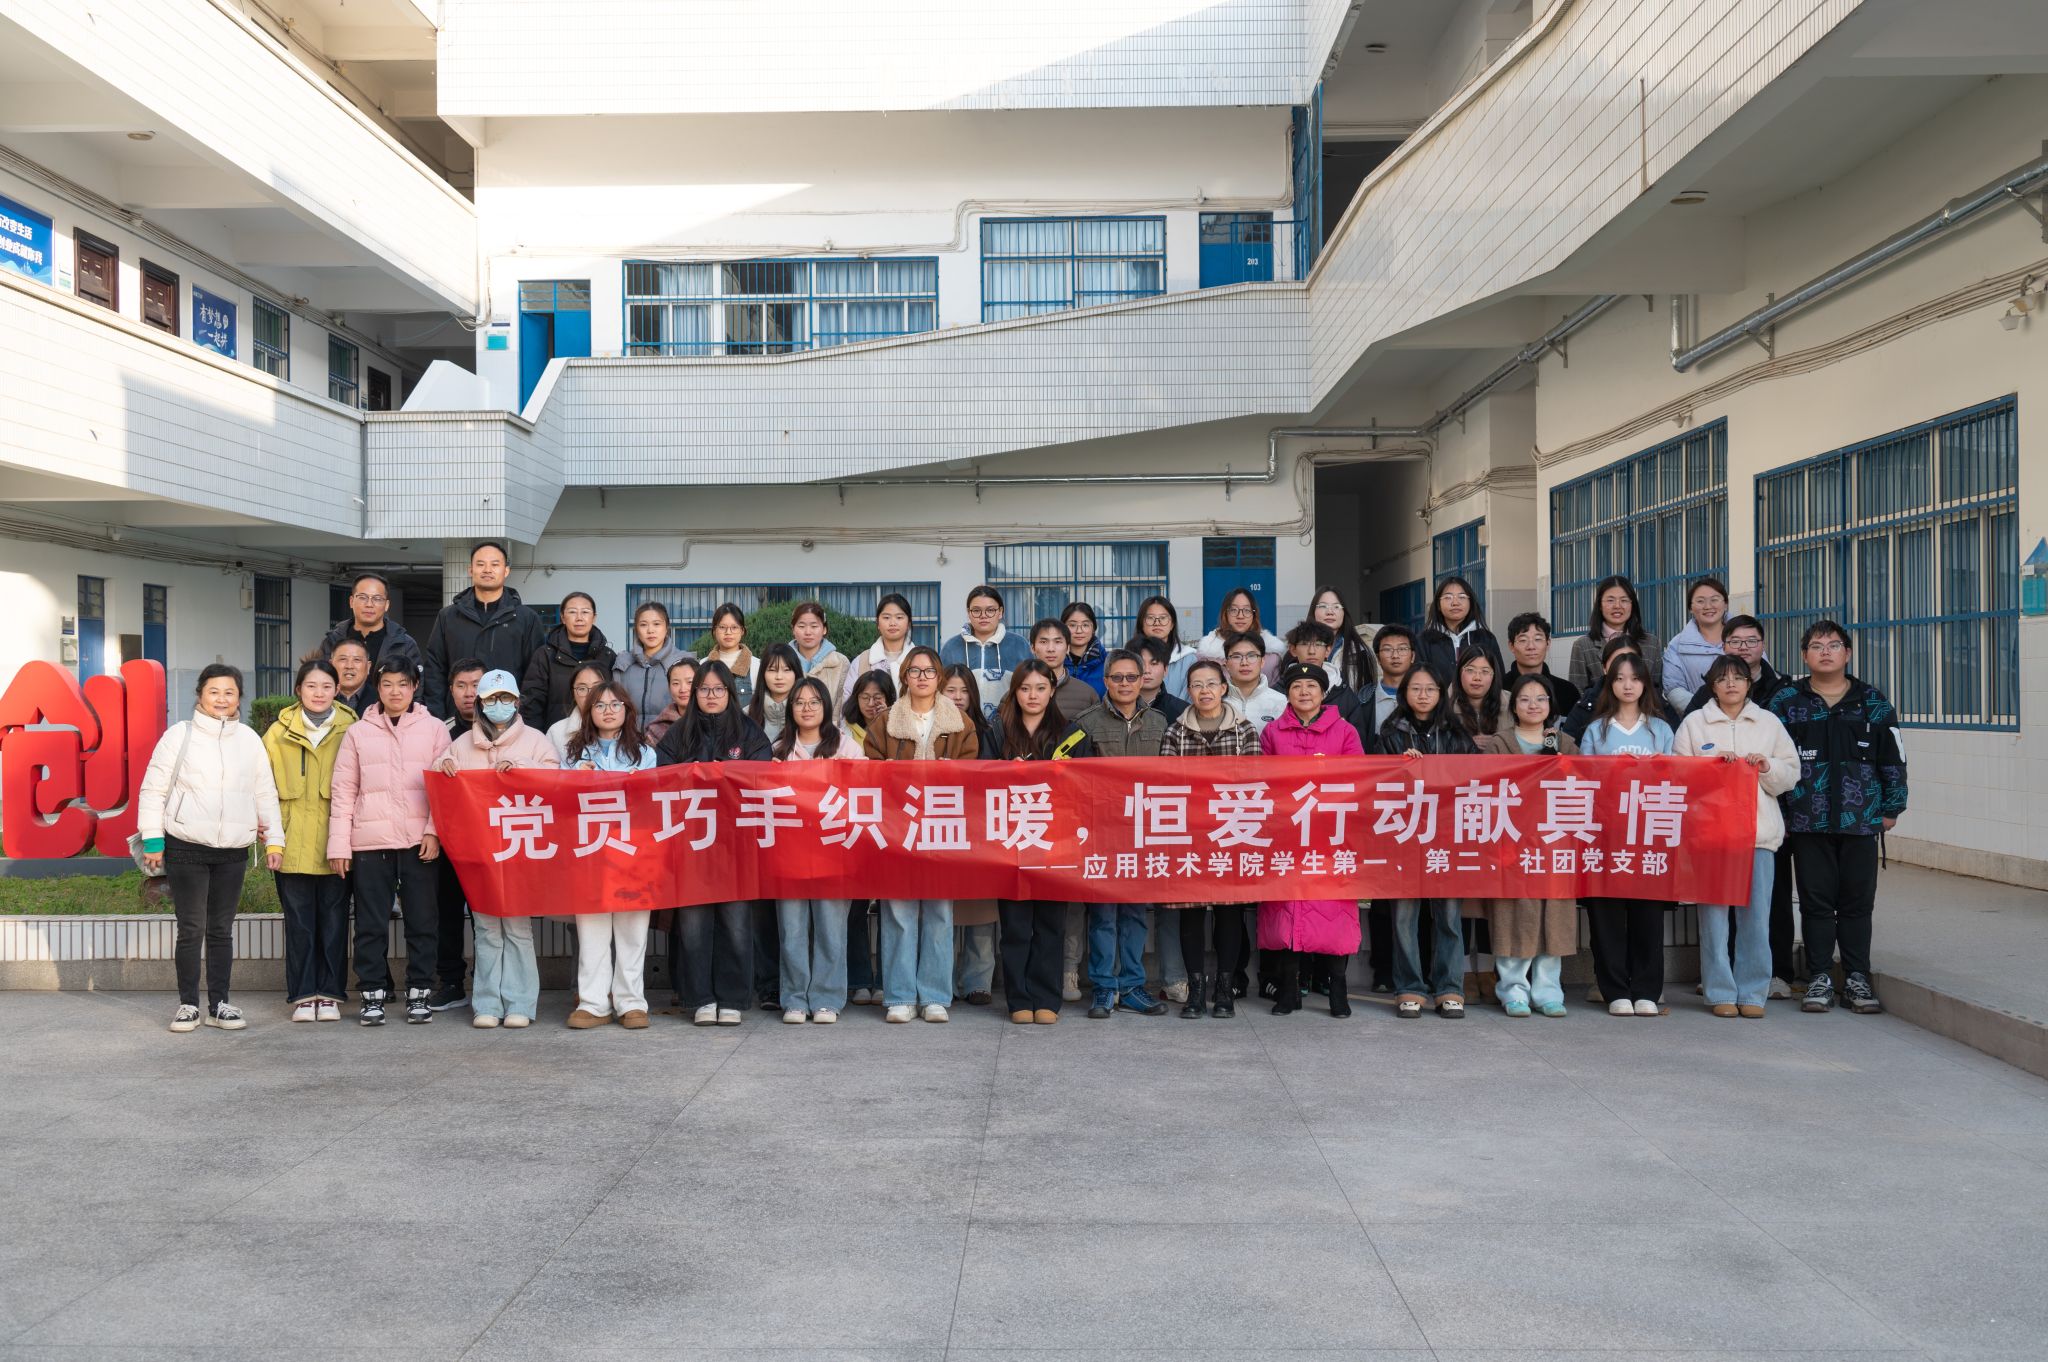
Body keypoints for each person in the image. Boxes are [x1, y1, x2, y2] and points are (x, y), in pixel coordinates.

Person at [1769, 620, 1907, 1016]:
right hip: (1807, 821)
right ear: (1804, 656)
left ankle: (1857, 977)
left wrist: (1891, 807)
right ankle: (1819, 977)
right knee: (1815, 903)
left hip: (1861, 821)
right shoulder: (1786, 702)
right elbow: (1774, 760)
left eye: (1833, 645)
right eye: (1817, 646)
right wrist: (1783, 814)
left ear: (1847, 653)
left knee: (1857, 904)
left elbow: (1893, 757)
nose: (1825, 652)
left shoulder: (1873, 702)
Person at [138, 664, 283, 1033]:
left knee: (221, 929)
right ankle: (188, 1005)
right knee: (191, 928)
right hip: (185, 845)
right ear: (200, 694)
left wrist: (275, 840)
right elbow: (153, 789)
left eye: (229, 692)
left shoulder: (249, 739)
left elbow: (265, 792)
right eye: (214, 691)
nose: (222, 699)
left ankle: (220, 1005)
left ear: (239, 697)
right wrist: (153, 839)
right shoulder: (178, 735)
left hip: (232, 850)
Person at [327, 657, 451, 1026]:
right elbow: (344, 791)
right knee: (370, 923)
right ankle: (372, 994)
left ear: (415, 687)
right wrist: (339, 845)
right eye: (387, 684)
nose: (395, 692)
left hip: (419, 842)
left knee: (423, 921)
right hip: (370, 842)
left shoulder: (434, 729)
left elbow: (444, 788)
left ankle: (420, 992)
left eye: (403, 684)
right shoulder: (358, 732)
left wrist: (434, 831)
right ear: (377, 688)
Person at [434, 670, 560, 1028]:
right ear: (480, 704)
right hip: (480, 853)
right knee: (487, 929)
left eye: (505, 698)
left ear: (517, 702)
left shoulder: (536, 741)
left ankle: (520, 1003)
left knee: (518, 929)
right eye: (491, 699)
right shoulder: (461, 744)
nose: (498, 705)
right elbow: (438, 779)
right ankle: (487, 1004)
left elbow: (555, 779)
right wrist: (443, 766)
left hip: (519, 851)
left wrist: (521, 767)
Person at [1676, 657, 1800, 1018]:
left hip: (1758, 836)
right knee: (1714, 920)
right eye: (1722, 678)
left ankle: (1753, 993)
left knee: (1756, 918)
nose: (1731, 683)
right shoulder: (1694, 723)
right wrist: (1711, 768)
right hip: (1712, 838)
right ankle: (1719, 991)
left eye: (1738, 677)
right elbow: (1678, 776)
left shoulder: (1768, 722)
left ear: (1749, 683)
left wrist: (1767, 767)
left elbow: (1791, 773)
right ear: (1712, 685)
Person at [862, 646, 977, 1022]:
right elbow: (869, 768)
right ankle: (899, 996)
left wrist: (953, 771)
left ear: (939, 677)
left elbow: (974, 772)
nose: (922, 677)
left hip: (943, 827)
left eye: (929, 671)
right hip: (898, 826)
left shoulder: (961, 723)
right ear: (905, 677)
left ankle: (934, 996)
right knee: (898, 910)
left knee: (939, 912)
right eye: (915, 671)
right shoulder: (885, 722)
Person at [656, 659, 771, 1025]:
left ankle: (732, 998)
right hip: (691, 845)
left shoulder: (749, 732)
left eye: (718, 689)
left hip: (736, 846)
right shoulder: (679, 733)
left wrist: (723, 773)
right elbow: (662, 778)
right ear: (694, 694)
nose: (710, 695)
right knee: (693, 926)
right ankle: (699, 998)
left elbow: (763, 776)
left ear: (730, 693)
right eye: (703, 689)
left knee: (736, 925)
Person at [1259, 661, 1366, 1018]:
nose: (1304, 692)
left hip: (1330, 835)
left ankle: (1338, 987)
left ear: (1323, 693)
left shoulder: (1345, 731)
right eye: (1296, 687)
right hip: (1287, 835)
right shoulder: (1273, 732)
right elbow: (1264, 781)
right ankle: (1289, 988)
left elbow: (1359, 779)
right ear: (1287, 694)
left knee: (1335, 913)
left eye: (1311, 687)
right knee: (1287, 911)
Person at [1069, 650, 1170, 1019]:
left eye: (1131, 677)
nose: (1124, 684)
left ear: (1143, 680)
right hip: (1101, 835)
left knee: (1135, 915)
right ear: (1106, 681)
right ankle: (1103, 988)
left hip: (1143, 834)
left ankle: (1131, 986)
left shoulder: (1160, 722)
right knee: (1103, 915)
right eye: (1117, 677)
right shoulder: (1085, 723)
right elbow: (1069, 778)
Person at [1158, 658, 1260, 1018]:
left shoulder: (1245, 731)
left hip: (1233, 832)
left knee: (1230, 913)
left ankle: (1225, 989)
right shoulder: (1175, 732)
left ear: (1223, 688)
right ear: (1188, 691)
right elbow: (1167, 784)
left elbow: (1253, 782)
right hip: (1189, 836)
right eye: (1197, 685)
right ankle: (1196, 990)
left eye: (1211, 684)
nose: (1205, 691)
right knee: (1191, 915)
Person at [1473, 675, 1579, 1017]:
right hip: (1513, 845)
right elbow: (1487, 790)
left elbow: (1583, 787)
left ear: (1551, 704)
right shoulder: (1500, 743)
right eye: (1525, 699)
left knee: (1553, 917)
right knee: (1513, 916)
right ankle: (1512, 990)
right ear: (1514, 706)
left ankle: (1548, 991)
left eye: (1541, 698)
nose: (1533, 705)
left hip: (1554, 844)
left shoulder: (1564, 742)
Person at [1577, 653, 1676, 1017]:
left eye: (1635, 678)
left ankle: (1647, 989)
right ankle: (1615, 989)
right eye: (1620, 678)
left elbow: (1677, 779)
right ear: (1610, 683)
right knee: (1607, 916)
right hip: (1606, 835)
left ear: (1646, 683)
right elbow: (1583, 780)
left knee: (1647, 916)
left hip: (1649, 836)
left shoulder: (1660, 729)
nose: (1628, 685)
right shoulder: (1597, 730)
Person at [1376, 664, 1477, 1018]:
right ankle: (1409, 988)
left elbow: (1476, 780)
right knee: (1404, 916)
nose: (1423, 695)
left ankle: (1449, 988)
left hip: (1447, 838)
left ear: (1441, 693)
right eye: (1416, 688)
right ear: (1404, 693)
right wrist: (1400, 767)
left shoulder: (1457, 734)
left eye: (1430, 689)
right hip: (1404, 837)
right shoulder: (1390, 734)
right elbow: (1376, 784)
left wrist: (1438, 768)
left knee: (1448, 916)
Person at [994, 659, 1089, 1024]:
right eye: (1024, 688)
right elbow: (978, 782)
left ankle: (1047, 997)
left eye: (1040, 688)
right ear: (1014, 692)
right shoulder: (998, 731)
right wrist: (1006, 772)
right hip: (1010, 842)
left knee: (1051, 924)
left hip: (1056, 843)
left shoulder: (1072, 734)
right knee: (1015, 926)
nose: (1032, 696)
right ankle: (1018, 998)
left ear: (1052, 691)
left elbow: (1086, 787)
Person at [263, 659, 356, 1023]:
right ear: (298, 690)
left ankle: (330, 994)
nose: (319, 693)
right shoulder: (277, 733)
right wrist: (271, 838)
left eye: (327, 686)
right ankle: (303, 995)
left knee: (335, 922)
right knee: (299, 923)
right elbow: (262, 789)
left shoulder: (352, 728)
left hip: (338, 842)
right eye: (311, 686)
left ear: (337, 690)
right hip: (291, 842)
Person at [561, 681, 657, 1030]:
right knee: (592, 932)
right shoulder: (574, 752)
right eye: (600, 705)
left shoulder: (644, 753)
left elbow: (652, 801)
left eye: (616, 704)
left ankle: (631, 1003)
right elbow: (559, 799)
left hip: (634, 853)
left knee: (633, 931)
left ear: (627, 710)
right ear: (589, 712)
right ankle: (593, 1003)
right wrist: (575, 778)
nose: (608, 711)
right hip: (590, 852)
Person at [773, 677, 865, 1023]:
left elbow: (864, 789)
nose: (807, 708)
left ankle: (827, 999)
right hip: (790, 854)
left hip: (834, 851)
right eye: (799, 702)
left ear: (826, 706)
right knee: (792, 930)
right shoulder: (779, 749)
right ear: (790, 709)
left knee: (831, 929)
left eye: (814, 701)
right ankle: (795, 999)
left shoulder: (846, 746)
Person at [421, 539, 548, 719]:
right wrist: (438, 717)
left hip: (509, 717)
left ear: (506, 571)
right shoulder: (448, 617)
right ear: (470, 570)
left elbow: (535, 677)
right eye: (480, 564)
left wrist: (524, 717)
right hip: (458, 718)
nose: (487, 570)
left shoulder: (526, 618)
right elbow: (435, 670)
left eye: (494, 564)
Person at [941, 665, 1001, 1006]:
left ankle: (979, 982)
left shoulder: (986, 730)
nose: (958, 697)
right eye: (950, 690)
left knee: (980, 911)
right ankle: (944, 980)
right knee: (943, 912)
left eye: (964, 691)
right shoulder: (931, 727)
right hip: (941, 828)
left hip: (978, 831)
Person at [838, 666, 896, 1006]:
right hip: (853, 828)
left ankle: (886, 980)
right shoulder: (842, 733)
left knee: (890, 907)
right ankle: (859, 979)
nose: (872, 703)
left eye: (879, 697)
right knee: (855, 908)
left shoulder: (898, 728)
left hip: (891, 828)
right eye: (865, 697)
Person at [431, 657, 486, 1011]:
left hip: (491, 840)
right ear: (450, 690)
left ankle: (486, 981)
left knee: (487, 914)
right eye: (461, 686)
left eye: (477, 685)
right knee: (446, 911)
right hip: (449, 839)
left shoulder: (505, 730)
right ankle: (450, 981)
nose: (469, 694)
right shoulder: (439, 732)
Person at [519, 590, 616, 729]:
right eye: (572, 612)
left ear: (594, 617)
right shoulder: (545, 655)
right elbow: (531, 704)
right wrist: (537, 737)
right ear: (563, 618)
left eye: (585, 612)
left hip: (598, 733)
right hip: (555, 735)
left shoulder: (608, 656)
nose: (579, 618)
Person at [1561, 635, 1675, 743]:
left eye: (1631, 660)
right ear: (1604, 668)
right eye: (1617, 662)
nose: (1625, 666)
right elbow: (1570, 748)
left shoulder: (1659, 705)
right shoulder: (1586, 706)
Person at [938, 584, 1031, 713]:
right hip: (962, 722)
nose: (983, 616)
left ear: (1000, 612)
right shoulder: (952, 647)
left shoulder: (1019, 645)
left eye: (990, 610)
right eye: (976, 611)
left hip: (1008, 721)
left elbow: (1029, 686)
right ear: (968, 613)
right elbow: (939, 690)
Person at [1568, 574, 1664, 697]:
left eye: (1624, 600)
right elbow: (1577, 693)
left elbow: (1656, 690)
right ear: (1600, 605)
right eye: (1610, 600)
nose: (1617, 606)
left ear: (1632, 605)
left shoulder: (1652, 643)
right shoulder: (1583, 646)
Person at [319, 571, 423, 675]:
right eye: (362, 597)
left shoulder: (404, 644)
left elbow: (417, 682)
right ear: (351, 601)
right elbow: (322, 678)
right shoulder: (332, 641)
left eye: (377, 599)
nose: (369, 604)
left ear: (387, 605)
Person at [615, 600, 694, 721]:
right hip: (630, 733)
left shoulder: (684, 662)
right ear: (636, 629)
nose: (650, 630)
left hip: (672, 732)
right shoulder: (623, 664)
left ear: (666, 627)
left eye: (656, 624)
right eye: (643, 625)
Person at [1662, 576, 1730, 712]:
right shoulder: (1677, 645)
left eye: (1714, 600)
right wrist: (1704, 713)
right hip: (1697, 719)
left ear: (1726, 604)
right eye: (1700, 601)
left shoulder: (1744, 637)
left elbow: (1761, 675)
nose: (1708, 606)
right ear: (1690, 608)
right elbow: (1674, 688)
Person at [1419, 574, 1503, 684]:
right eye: (1448, 597)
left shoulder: (1486, 638)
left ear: (1470, 602)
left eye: (1462, 597)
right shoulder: (1424, 640)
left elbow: (1499, 678)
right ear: (1438, 605)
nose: (1455, 603)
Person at [841, 593, 918, 710]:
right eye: (886, 617)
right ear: (878, 623)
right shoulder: (862, 661)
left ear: (908, 623)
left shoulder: (921, 661)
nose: (892, 623)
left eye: (899, 617)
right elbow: (848, 706)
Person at [1195, 587, 1285, 681]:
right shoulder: (1207, 654)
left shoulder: (1272, 655)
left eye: (1247, 610)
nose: (1240, 616)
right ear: (1225, 614)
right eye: (1234, 610)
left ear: (1254, 614)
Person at [1503, 612, 1580, 719]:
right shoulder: (1499, 689)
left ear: (1548, 644)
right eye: (1523, 640)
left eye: (1538, 639)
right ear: (1511, 646)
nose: (1531, 646)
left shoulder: (1567, 691)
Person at [1025, 617, 1099, 718]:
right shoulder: (1018, 692)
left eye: (1058, 642)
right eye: (1043, 642)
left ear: (1068, 648)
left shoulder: (1087, 694)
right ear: (1032, 648)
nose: (1051, 649)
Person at [1310, 586, 1376, 695]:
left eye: (1336, 606)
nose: (1330, 612)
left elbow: (1367, 695)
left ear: (1344, 612)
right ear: (1313, 611)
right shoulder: (1299, 649)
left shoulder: (1360, 651)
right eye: (1323, 606)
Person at [1131, 594, 1198, 699]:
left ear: (1172, 624)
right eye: (1150, 618)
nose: (1157, 623)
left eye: (1163, 618)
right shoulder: (1130, 656)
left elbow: (1189, 698)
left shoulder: (1189, 658)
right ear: (1141, 624)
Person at [545, 663, 612, 762]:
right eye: (582, 689)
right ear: (573, 694)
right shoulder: (556, 732)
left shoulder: (624, 729)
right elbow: (549, 768)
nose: (590, 695)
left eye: (597, 687)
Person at [788, 600, 849, 702]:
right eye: (801, 626)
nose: (808, 632)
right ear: (793, 629)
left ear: (824, 629)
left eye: (814, 626)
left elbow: (842, 703)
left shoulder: (841, 662)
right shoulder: (782, 661)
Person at [705, 602, 760, 706]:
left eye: (734, 627)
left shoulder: (757, 666)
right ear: (714, 631)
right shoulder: (703, 665)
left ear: (742, 630)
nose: (728, 632)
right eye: (722, 627)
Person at [1447, 641, 1503, 741]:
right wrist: (1467, 744)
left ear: (1494, 675)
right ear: (1459, 672)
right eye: (1470, 670)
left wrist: (1497, 742)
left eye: (1485, 671)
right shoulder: (1443, 705)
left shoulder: (1511, 703)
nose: (1477, 678)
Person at [746, 643, 802, 742]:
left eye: (786, 670)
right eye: (772, 670)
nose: (779, 677)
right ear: (763, 674)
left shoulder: (809, 713)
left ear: (796, 673)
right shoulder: (746, 715)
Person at [1130, 637, 1189, 723]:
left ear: (1165, 669)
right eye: (1140, 663)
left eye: (1154, 663)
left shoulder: (1183, 712)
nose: (1146, 670)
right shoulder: (1115, 709)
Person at [641, 657, 697, 745]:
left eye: (690, 682)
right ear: (669, 688)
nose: (683, 689)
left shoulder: (713, 722)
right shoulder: (655, 731)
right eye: (676, 683)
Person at [1061, 601, 1107, 696]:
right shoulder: (1054, 661)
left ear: (1093, 628)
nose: (1079, 631)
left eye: (1085, 625)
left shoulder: (1108, 662)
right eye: (1072, 625)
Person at [331, 639, 374, 716]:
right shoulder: (318, 697)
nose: (349, 666)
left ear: (368, 667)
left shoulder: (381, 700)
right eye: (343, 659)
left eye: (357, 660)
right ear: (331, 665)